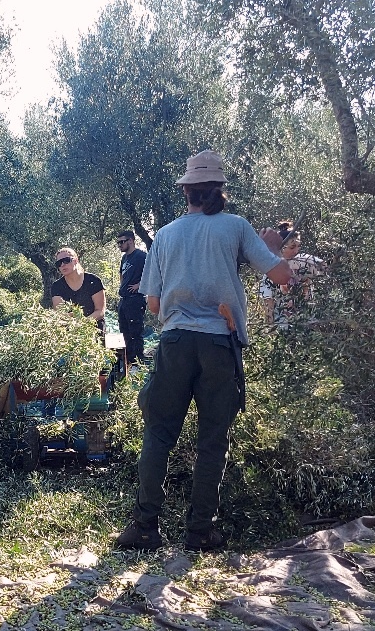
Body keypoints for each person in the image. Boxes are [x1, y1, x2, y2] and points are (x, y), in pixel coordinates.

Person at [116, 149, 292, 552]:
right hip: (219, 345)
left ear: (187, 192)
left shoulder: (165, 235)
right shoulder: (237, 227)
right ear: (220, 190)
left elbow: (154, 305)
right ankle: (199, 532)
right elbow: (282, 276)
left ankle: (144, 527)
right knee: (212, 439)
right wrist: (270, 248)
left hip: (175, 343)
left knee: (158, 434)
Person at [259, 229, 324, 329]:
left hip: (307, 323)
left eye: (298, 246)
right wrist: (269, 329)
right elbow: (269, 304)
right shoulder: (271, 270)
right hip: (283, 326)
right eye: (292, 247)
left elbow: (326, 267)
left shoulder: (305, 260)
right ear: (281, 247)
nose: (296, 250)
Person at [50, 247, 106, 334]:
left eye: (66, 260)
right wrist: (72, 324)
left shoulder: (93, 280)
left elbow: (100, 311)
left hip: (94, 330)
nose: (62, 265)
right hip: (70, 333)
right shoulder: (57, 286)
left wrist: (82, 324)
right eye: (59, 263)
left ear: (75, 260)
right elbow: (60, 313)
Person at [117, 231, 148, 366]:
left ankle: (138, 362)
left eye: (122, 242)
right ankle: (129, 362)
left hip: (135, 299)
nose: (119, 245)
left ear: (131, 240)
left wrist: (140, 285)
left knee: (135, 332)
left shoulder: (141, 256)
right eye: (118, 243)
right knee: (125, 331)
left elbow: (154, 273)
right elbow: (121, 275)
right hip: (124, 299)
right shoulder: (124, 258)